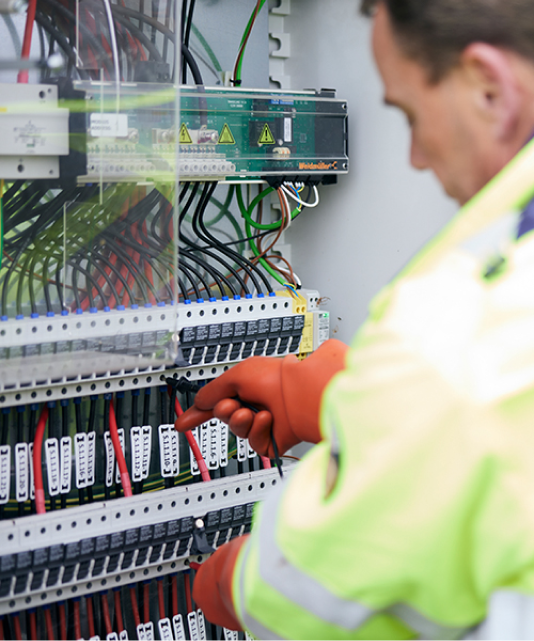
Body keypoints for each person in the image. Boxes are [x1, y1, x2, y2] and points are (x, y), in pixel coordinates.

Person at [175, 0, 534, 638]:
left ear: (490, 90)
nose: (418, 158)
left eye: (409, 115)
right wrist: (343, 395)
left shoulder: (453, 336)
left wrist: (230, 577)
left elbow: (310, 595)